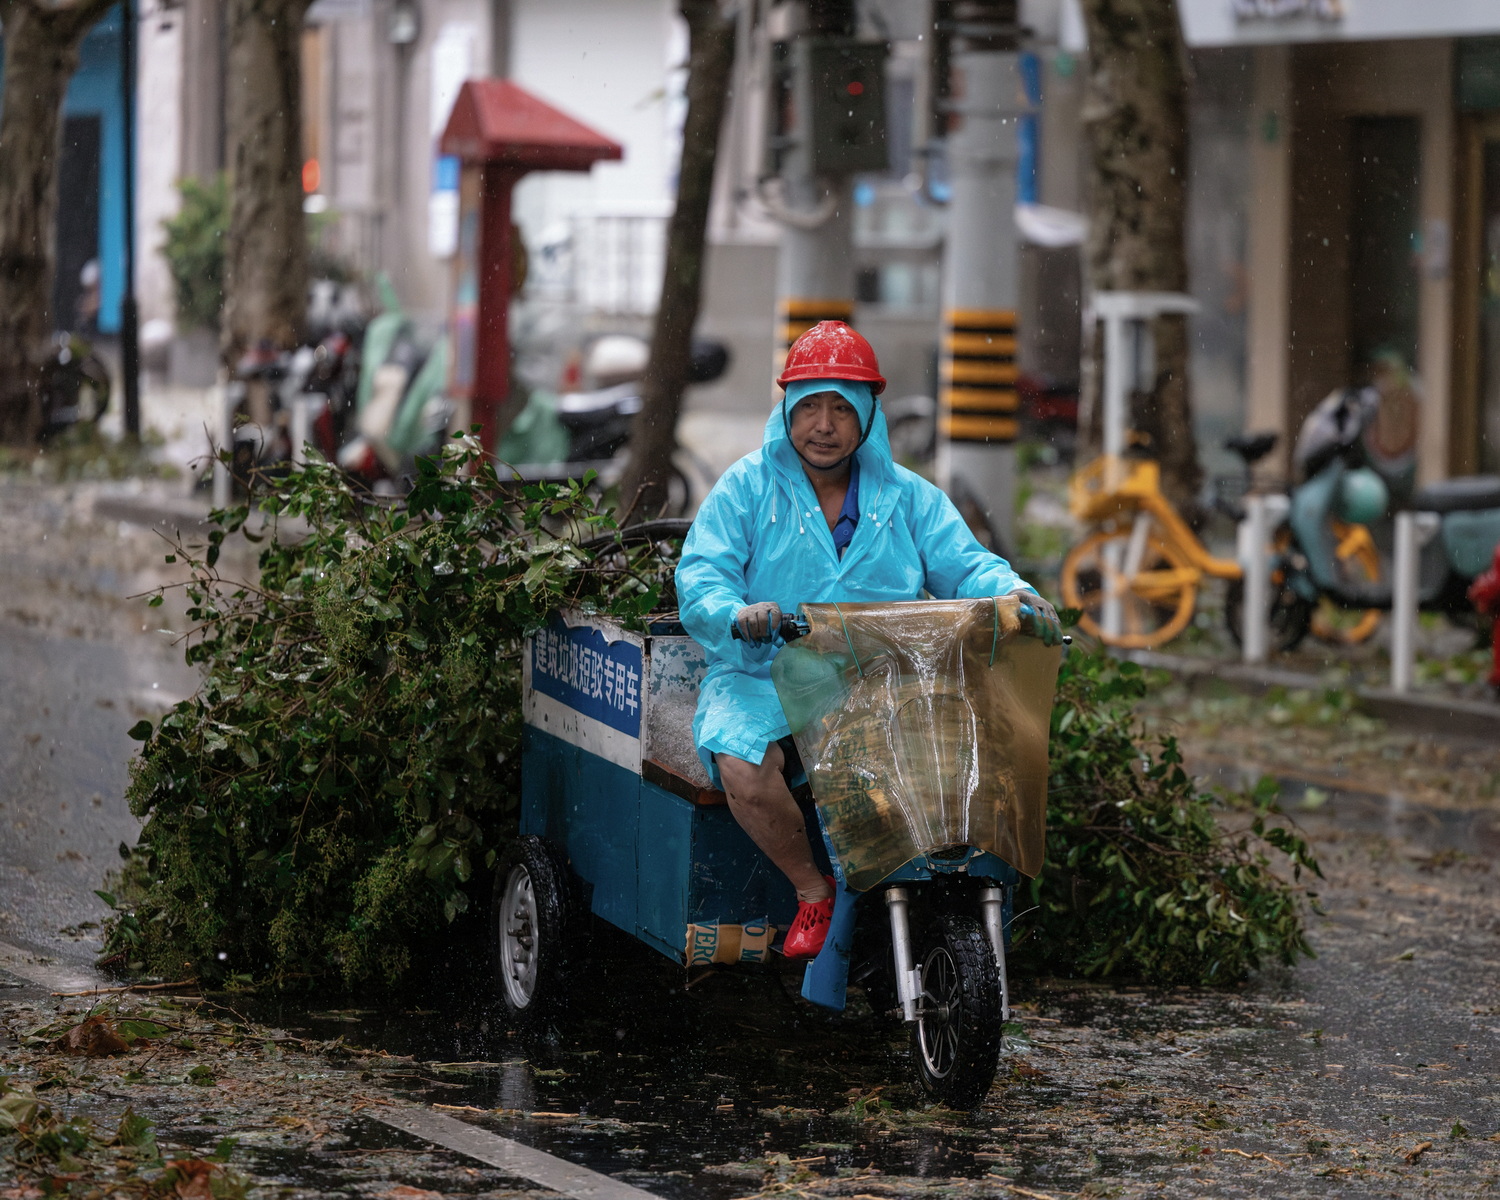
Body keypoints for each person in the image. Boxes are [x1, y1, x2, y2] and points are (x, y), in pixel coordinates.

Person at [675, 321, 1061, 960]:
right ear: (787, 412)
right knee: (743, 768)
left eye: (840, 409)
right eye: (809, 407)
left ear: (867, 417)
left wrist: (1014, 593)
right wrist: (735, 613)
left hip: (884, 676)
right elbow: (702, 576)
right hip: (763, 675)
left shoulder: (909, 497)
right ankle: (813, 891)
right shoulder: (745, 488)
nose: (823, 425)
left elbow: (969, 565)